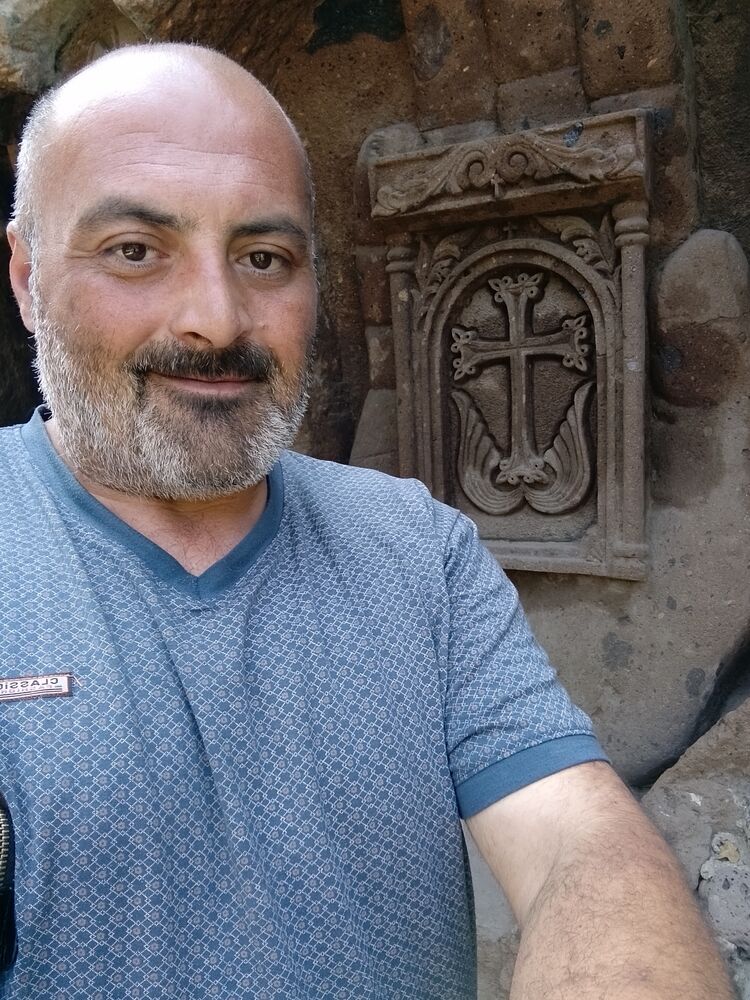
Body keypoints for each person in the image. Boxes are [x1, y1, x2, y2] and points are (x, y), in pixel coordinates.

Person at [0, 41, 733, 1000]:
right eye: (135, 251)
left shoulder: (416, 548)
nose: (217, 318)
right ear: (26, 278)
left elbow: (573, 836)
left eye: (264, 258)